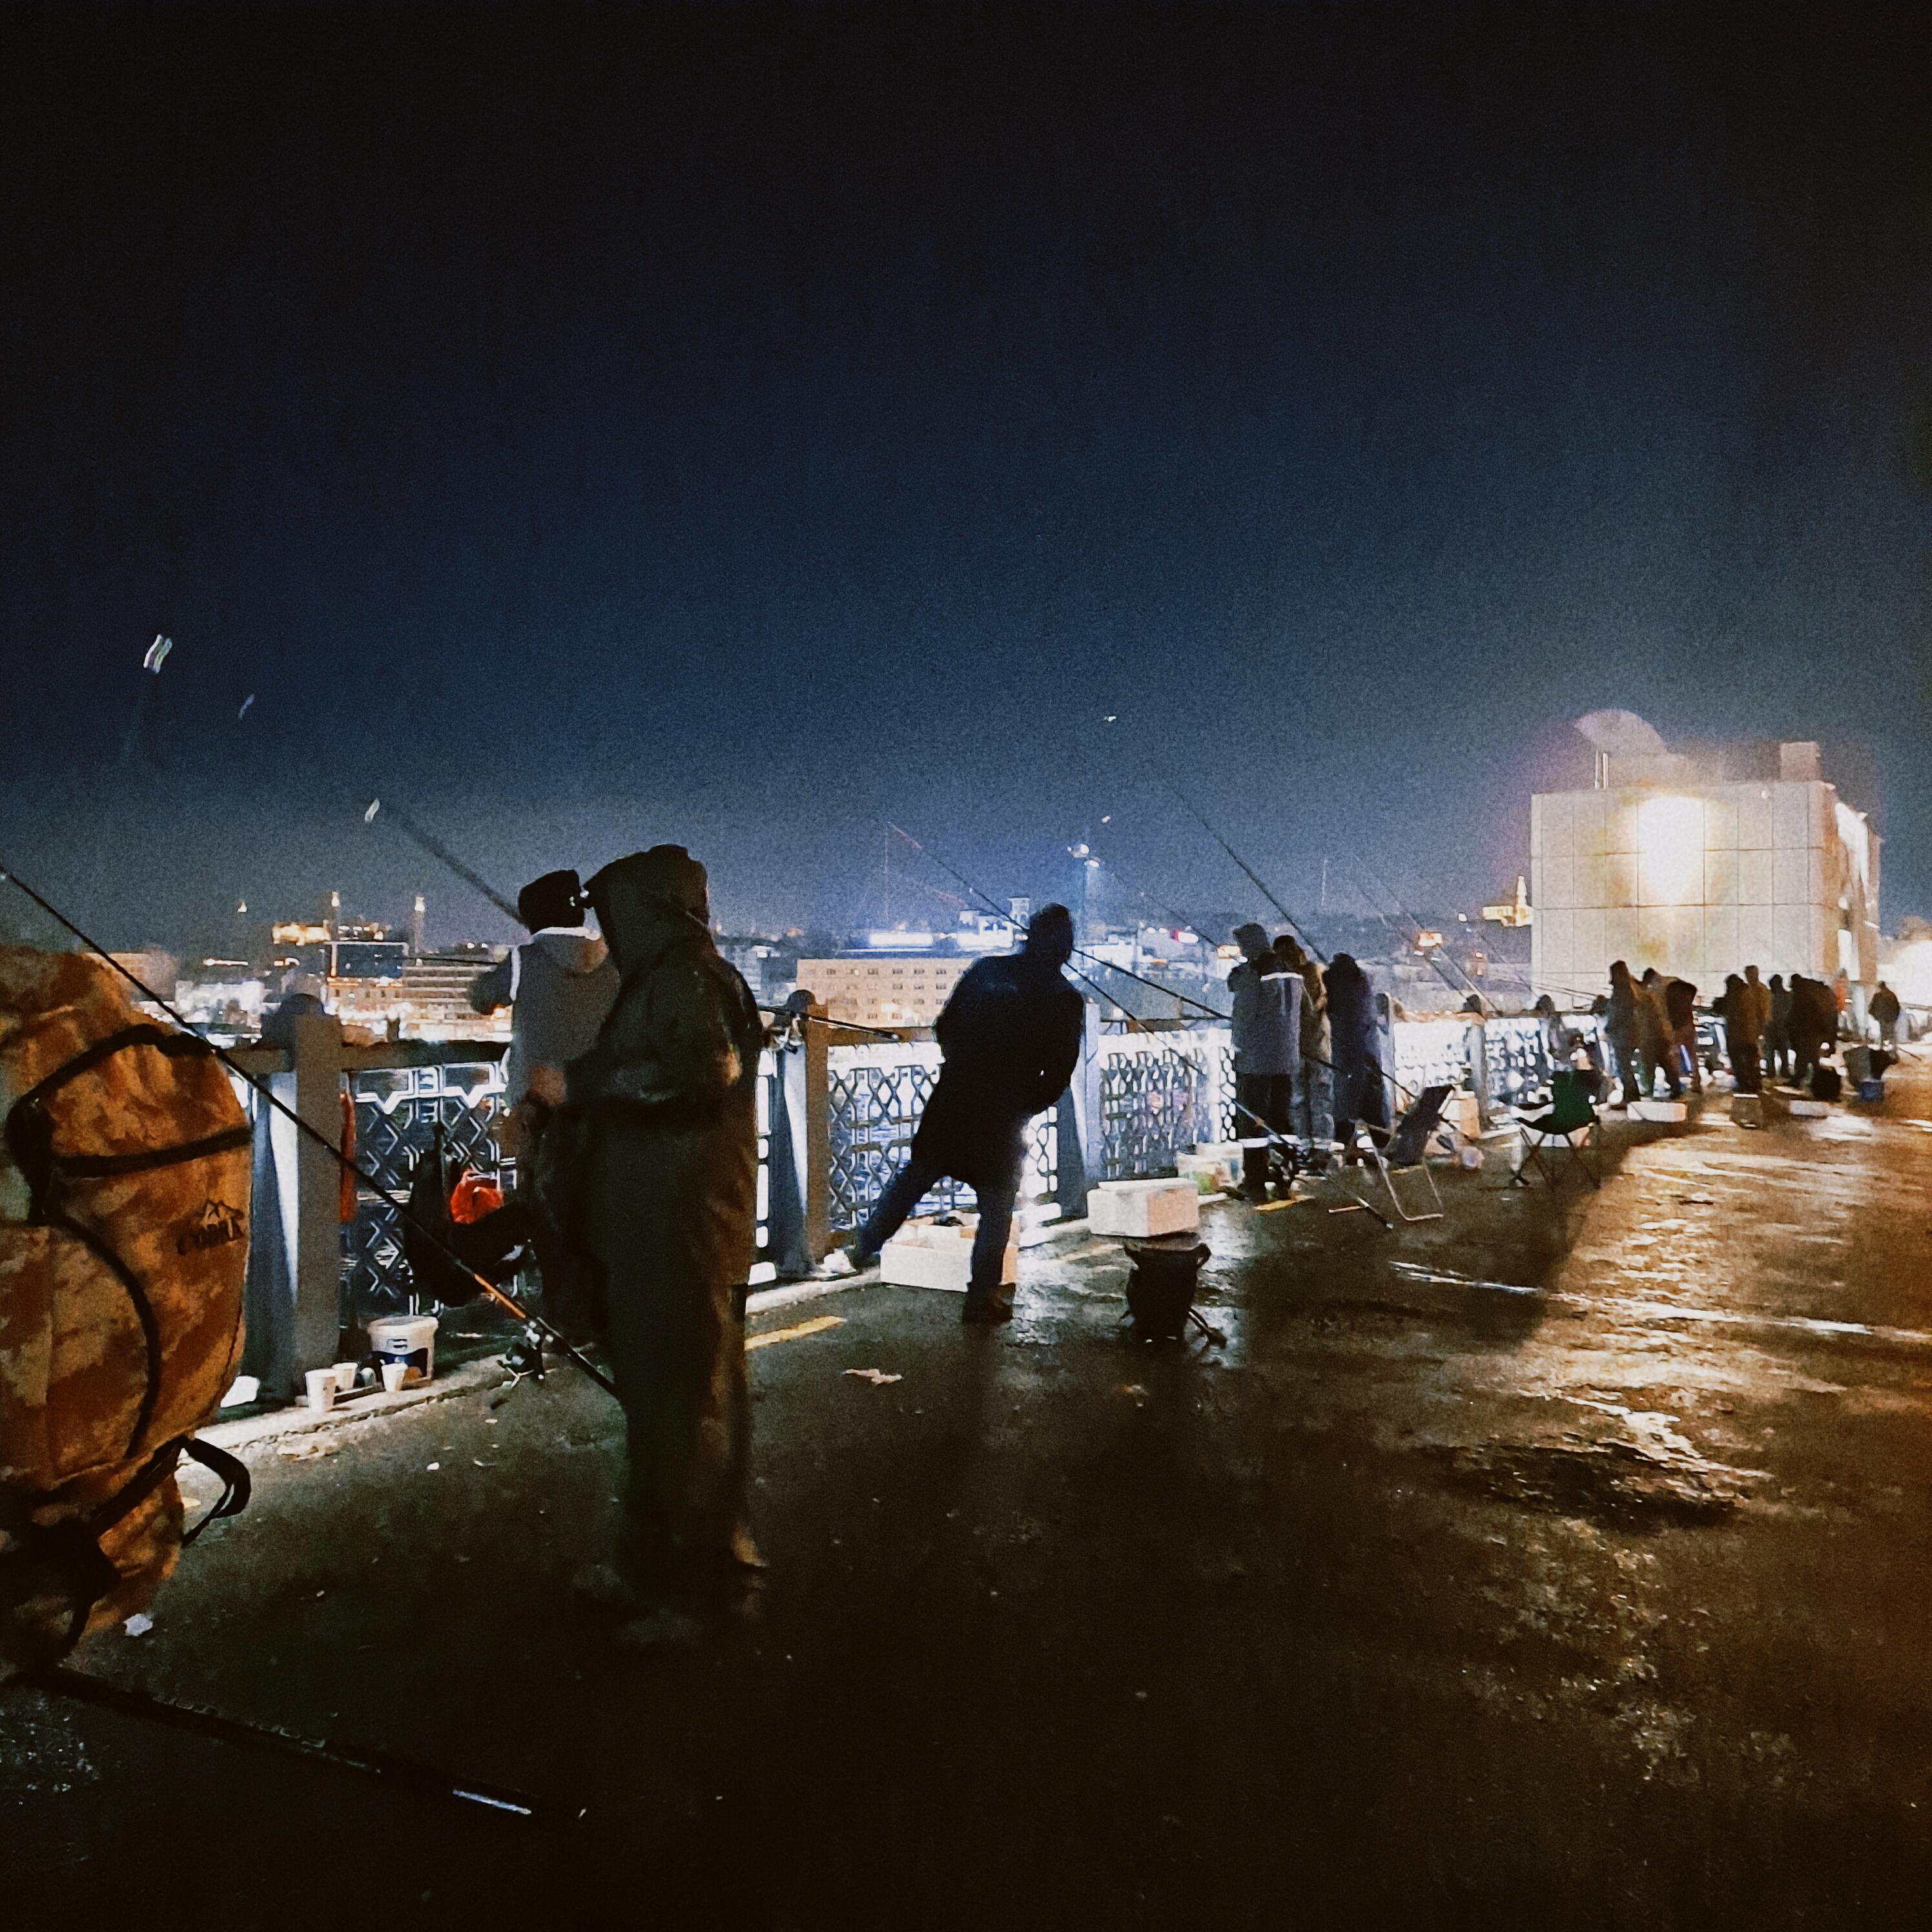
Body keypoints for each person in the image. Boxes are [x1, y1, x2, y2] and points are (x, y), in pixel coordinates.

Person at [540, 845, 767, 1646]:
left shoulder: (688, 979)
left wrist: (575, 1085)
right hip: (655, 1227)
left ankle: (701, 1593)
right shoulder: (670, 978)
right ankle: (649, 1570)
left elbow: (699, 1073)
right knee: (662, 1405)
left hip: (685, 1227)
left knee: (687, 1403)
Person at [845, 905, 1082, 1322]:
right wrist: (1023, 1105)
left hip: (953, 1101)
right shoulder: (1064, 998)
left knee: (914, 1178)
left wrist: (962, 1068)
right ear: (1066, 948)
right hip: (1002, 1118)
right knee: (996, 1209)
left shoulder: (987, 970)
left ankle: (861, 1249)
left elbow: (945, 1027)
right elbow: (1058, 1073)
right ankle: (981, 1298)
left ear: (1028, 936)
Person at [468, 869, 620, 1120]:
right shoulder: (612, 960)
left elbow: (481, 999)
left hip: (536, 1100)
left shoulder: (523, 959)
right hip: (601, 1098)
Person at [1227, 923, 1300, 1199]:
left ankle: (1255, 1181)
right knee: (1281, 1116)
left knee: (1252, 1119)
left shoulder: (1253, 971)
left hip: (1256, 1060)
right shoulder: (1290, 971)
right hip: (1286, 1058)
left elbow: (1244, 1014)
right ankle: (1285, 1172)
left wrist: (1238, 1045)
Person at [1324, 954, 1387, 1155]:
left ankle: (1345, 1142)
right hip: (1367, 1051)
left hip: (1344, 1052)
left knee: (1344, 1098)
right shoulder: (1362, 985)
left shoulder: (1334, 986)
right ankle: (1381, 1141)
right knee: (1370, 1097)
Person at [1286, 940, 1333, 1159]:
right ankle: (1322, 1146)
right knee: (1320, 1096)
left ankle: (1304, 1144)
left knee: (1298, 1098)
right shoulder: (1317, 973)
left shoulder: (1286, 980)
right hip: (1317, 1047)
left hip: (1297, 1049)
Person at [1787, 974, 1838, 1091]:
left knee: (1808, 1055)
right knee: (1809, 1055)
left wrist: (1791, 1027)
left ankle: (1816, 1081)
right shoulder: (1815, 991)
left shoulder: (1802, 994)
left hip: (1808, 1030)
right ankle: (1805, 1078)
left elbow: (1796, 1013)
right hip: (1817, 1030)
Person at [1638, 969, 1683, 1099]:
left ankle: (1648, 1090)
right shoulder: (1664, 988)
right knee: (1666, 1063)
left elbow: (1646, 1019)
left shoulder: (1648, 997)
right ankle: (1676, 1088)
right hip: (1663, 1034)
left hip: (1651, 1036)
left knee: (1649, 1064)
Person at [1604, 961, 1642, 1105]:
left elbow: (1617, 1014)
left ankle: (1630, 1096)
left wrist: (1609, 1028)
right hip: (1631, 1034)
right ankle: (1632, 1095)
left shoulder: (1621, 992)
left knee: (1623, 1067)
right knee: (1626, 1067)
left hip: (1622, 1035)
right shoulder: (1631, 989)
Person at [1716, 974, 1761, 1093]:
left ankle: (1743, 1084)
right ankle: (1755, 1083)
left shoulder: (1733, 996)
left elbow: (1721, 1009)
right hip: (1750, 1034)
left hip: (1736, 1035)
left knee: (1737, 1061)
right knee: (1751, 1061)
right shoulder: (1749, 993)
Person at [1661, 973, 1701, 1094]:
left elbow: (1665, 1010)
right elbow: (1694, 989)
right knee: (1692, 1054)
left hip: (1677, 1027)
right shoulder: (1687, 990)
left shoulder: (1668, 992)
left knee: (1675, 1054)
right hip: (1689, 1025)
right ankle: (1696, 1081)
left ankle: (1676, 1081)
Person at [1765, 974, 1794, 1082]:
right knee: (1780, 1050)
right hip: (1778, 1027)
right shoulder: (1788, 996)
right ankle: (1781, 1070)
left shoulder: (1770, 996)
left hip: (1775, 1027)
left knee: (1774, 1050)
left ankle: (1773, 1070)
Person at [1870, 980, 1902, 1051]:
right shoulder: (1892, 995)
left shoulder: (1878, 996)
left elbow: (1873, 1007)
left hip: (1882, 1018)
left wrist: (1876, 1016)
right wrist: (1895, 1017)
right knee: (1892, 1033)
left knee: (1883, 1033)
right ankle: (1894, 1048)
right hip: (1891, 1018)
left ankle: (1882, 1047)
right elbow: (1897, 1007)